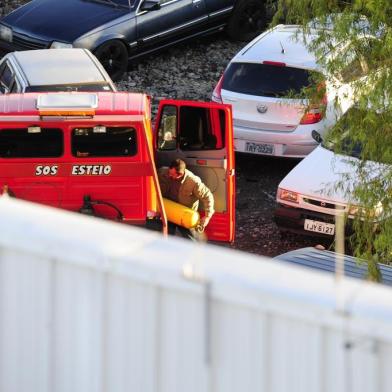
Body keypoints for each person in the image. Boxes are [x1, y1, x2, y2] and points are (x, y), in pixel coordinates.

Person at [158, 158, 214, 240]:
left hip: (185, 215)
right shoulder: (162, 172)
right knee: (167, 238)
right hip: (169, 211)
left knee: (191, 240)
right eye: (169, 172)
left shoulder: (193, 182)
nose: (169, 175)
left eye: (173, 175)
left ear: (180, 174)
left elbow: (208, 196)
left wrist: (207, 216)